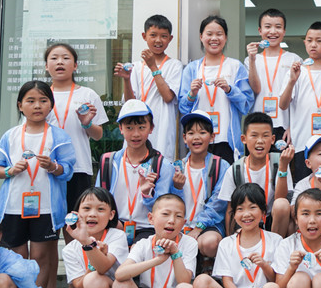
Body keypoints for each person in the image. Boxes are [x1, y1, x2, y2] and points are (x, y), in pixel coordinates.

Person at [0, 80, 75, 288]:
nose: (37, 106)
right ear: (20, 105)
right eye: (30, 101)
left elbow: (68, 170)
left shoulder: (59, 136)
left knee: (40, 256)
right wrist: (10, 171)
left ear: (51, 105)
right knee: (18, 257)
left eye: (43, 100)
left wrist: (53, 167)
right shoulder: (11, 135)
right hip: (13, 206)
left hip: (46, 207)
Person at [44, 43, 108, 247]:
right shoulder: (40, 96)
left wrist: (86, 123)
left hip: (77, 168)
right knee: (47, 232)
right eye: (54, 58)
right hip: (46, 169)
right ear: (46, 65)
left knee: (75, 226)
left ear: (75, 65)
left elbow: (98, 135)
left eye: (65, 58)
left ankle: (78, 268)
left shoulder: (87, 95)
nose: (60, 62)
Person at [178, 15, 254, 164]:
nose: (214, 38)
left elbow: (247, 105)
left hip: (227, 141)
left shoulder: (235, 66)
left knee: (228, 178)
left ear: (225, 37)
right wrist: (192, 94)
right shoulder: (192, 69)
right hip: (199, 140)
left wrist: (230, 90)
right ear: (201, 36)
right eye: (209, 34)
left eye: (219, 34)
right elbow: (183, 108)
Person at [95, 100, 171, 245]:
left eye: (141, 127)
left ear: (151, 128)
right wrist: (113, 222)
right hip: (114, 225)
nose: (135, 134)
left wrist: (148, 194)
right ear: (120, 128)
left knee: (137, 253)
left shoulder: (162, 165)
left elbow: (164, 208)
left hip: (148, 228)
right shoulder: (109, 161)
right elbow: (98, 199)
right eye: (129, 128)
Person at [116, 15, 184, 160]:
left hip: (162, 130)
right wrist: (126, 79)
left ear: (170, 39)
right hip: (137, 130)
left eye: (163, 36)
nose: (158, 40)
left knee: (159, 166)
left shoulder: (175, 65)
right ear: (144, 36)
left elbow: (168, 97)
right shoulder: (135, 67)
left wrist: (153, 66)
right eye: (153, 35)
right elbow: (129, 103)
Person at [215, 112, 294, 235]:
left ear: (273, 139)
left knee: (282, 204)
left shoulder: (280, 161)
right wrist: (229, 239)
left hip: (270, 220)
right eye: (254, 136)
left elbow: (280, 198)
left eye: (265, 136)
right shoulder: (235, 169)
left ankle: (276, 244)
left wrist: (283, 167)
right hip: (246, 220)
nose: (260, 141)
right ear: (244, 139)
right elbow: (230, 209)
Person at [279, 21, 321, 181]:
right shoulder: (297, 71)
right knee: (305, 187)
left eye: (319, 41)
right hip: (302, 142)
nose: (313, 45)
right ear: (304, 42)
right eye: (309, 40)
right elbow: (283, 105)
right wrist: (292, 81)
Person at [171, 111, 229, 261]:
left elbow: (218, 203)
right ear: (184, 138)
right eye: (191, 133)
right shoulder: (177, 167)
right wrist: (176, 188)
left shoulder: (220, 165)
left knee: (210, 242)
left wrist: (198, 228)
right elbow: (168, 201)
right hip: (179, 224)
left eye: (202, 132)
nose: (196, 137)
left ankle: (206, 264)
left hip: (208, 226)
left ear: (212, 137)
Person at [244, 8, 301, 145]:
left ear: (284, 31)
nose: (273, 31)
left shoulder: (294, 59)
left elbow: (299, 98)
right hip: (257, 124)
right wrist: (252, 60)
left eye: (278, 27)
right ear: (260, 30)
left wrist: (292, 126)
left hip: (284, 125)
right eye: (268, 26)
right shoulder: (251, 60)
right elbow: (256, 89)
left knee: (282, 159)